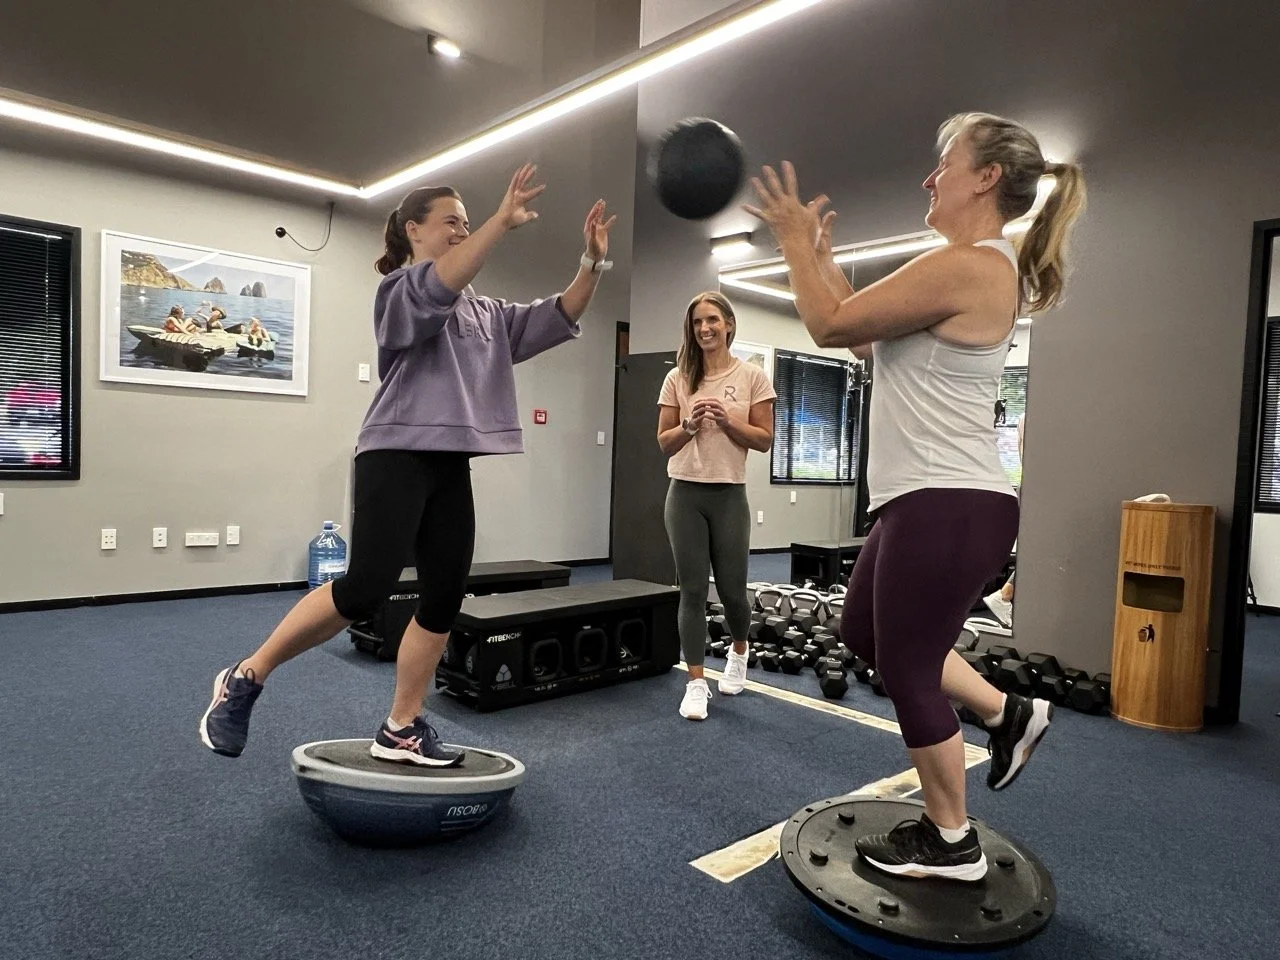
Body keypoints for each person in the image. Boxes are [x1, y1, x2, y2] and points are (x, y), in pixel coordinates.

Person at [746, 112, 1085, 880]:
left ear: (987, 177)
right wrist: (825, 260)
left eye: (944, 165)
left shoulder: (970, 264)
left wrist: (796, 246)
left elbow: (828, 325)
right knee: (867, 633)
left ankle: (951, 841)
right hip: (928, 502)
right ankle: (1008, 712)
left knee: (904, 663)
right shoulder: (962, 268)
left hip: (950, 501)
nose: (930, 179)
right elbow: (866, 335)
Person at [199, 164, 617, 766]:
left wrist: (591, 264)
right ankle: (245, 676)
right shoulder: (400, 290)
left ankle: (401, 726)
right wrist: (499, 221)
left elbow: (557, 317)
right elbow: (441, 286)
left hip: (450, 464)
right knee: (365, 587)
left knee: (445, 596)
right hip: (393, 454)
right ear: (414, 230)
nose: (462, 230)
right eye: (452, 221)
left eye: (466, 223)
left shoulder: (487, 313)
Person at [657, 292, 775, 720]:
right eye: (696, 323)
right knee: (690, 589)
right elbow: (663, 441)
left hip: (728, 495)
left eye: (711, 320)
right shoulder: (677, 378)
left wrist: (727, 421)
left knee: (731, 592)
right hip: (684, 493)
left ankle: (740, 650)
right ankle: (695, 682)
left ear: (728, 323)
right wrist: (688, 426)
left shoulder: (753, 377)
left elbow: (764, 440)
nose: (704, 328)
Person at [984, 414, 1025, 627]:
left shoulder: (1025, 419)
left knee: (1034, 552)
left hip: (1030, 484)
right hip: (1036, 487)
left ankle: (1004, 595)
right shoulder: (1029, 419)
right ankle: (1004, 595)